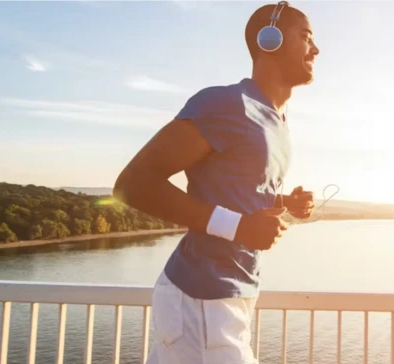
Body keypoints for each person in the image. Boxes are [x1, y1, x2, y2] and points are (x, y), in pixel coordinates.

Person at [112, 1, 320, 363]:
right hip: (200, 297)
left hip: (229, 294)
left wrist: (284, 202)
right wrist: (239, 226)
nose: (315, 49)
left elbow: (241, 192)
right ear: (269, 40)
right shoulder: (225, 104)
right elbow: (133, 184)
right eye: (305, 37)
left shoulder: (276, 122)